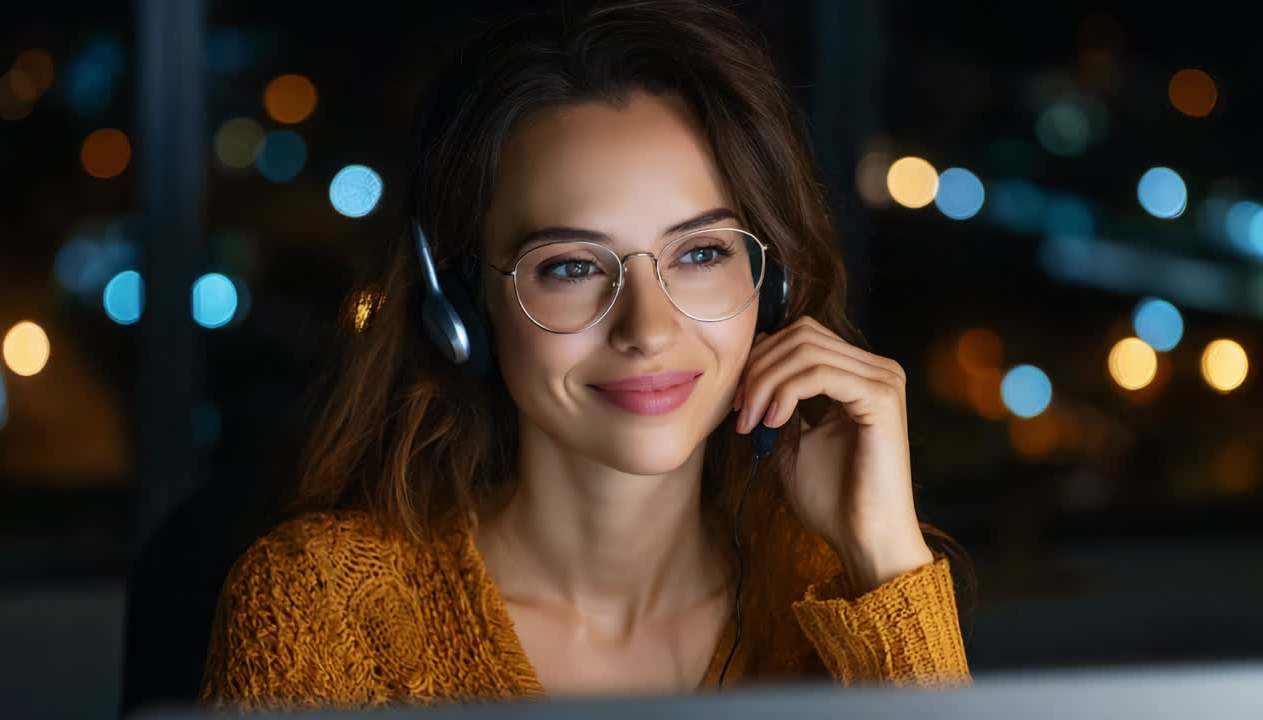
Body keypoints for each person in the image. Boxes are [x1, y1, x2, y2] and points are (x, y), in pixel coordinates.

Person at [199, 0, 972, 710]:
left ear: (771, 289)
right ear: (462, 305)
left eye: (702, 253)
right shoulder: (325, 604)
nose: (647, 327)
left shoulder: (839, 602)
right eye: (570, 266)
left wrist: (888, 564)